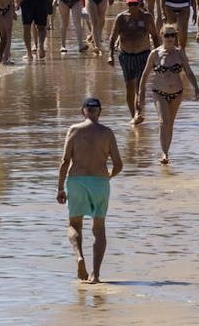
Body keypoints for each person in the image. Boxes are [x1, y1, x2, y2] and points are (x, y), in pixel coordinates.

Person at [56, 97, 122, 284]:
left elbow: (64, 162)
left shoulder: (74, 130)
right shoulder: (107, 133)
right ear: (99, 112)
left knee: (74, 225)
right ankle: (96, 275)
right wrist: (107, 176)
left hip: (76, 180)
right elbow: (118, 164)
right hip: (100, 181)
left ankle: (79, 256)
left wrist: (60, 188)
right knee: (99, 229)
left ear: (82, 111)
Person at [133, 25, 199, 164]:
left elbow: (189, 72)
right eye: (167, 35)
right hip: (159, 92)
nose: (170, 38)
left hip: (177, 93)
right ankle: (164, 153)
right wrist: (141, 96)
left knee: (170, 124)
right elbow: (145, 75)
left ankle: (167, 151)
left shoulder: (180, 53)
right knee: (163, 122)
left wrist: (196, 89)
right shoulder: (155, 54)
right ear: (162, 35)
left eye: (173, 35)